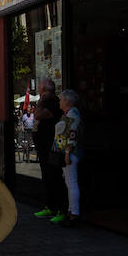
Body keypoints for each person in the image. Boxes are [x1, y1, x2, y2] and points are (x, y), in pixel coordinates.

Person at [31, 79, 65, 220]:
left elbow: (37, 115)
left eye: (40, 89)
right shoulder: (46, 102)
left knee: (54, 177)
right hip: (43, 147)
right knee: (47, 176)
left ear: (45, 90)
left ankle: (60, 209)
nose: (38, 91)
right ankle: (50, 206)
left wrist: (40, 101)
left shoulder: (53, 102)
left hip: (51, 147)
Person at [51, 90, 83, 227]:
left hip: (69, 154)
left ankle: (74, 214)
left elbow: (72, 135)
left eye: (61, 100)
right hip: (66, 153)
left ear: (67, 101)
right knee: (69, 183)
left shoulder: (73, 114)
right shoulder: (69, 114)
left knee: (71, 183)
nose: (59, 102)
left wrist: (67, 153)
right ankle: (71, 211)